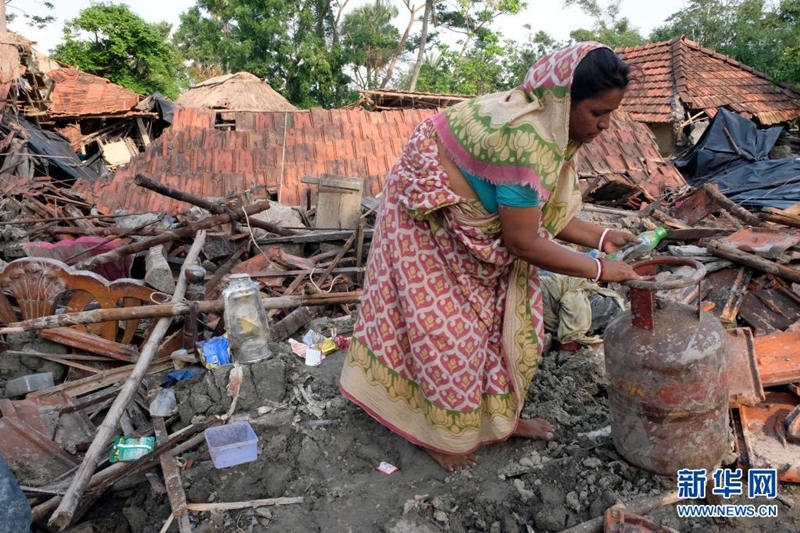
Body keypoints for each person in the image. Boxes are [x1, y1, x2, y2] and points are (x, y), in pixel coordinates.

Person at [340, 42, 641, 471]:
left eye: (611, 113)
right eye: (598, 113)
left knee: (496, 322)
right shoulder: (528, 140)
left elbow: (535, 215)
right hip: (426, 220)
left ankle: (494, 419)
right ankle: (440, 435)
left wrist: (603, 234)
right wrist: (598, 269)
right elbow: (523, 243)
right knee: (448, 332)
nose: (606, 125)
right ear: (562, 102)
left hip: (474, 215)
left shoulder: (548, 126)